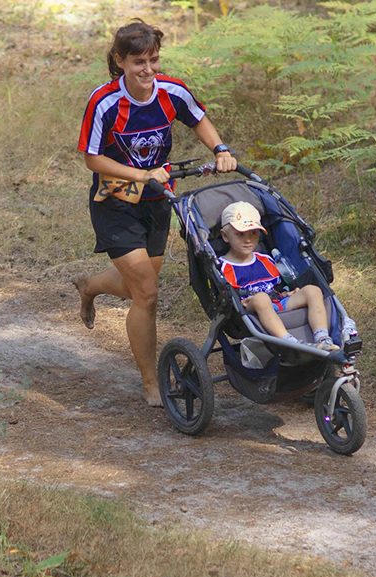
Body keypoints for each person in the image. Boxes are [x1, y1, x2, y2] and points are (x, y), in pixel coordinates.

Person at [72, 20, 237, 408]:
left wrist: (221, 150)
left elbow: (198, 119)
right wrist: (142, 174)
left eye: (153, 61)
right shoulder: (105, 102)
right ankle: (150, 382)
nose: (147, 70)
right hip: (114, 202)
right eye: (138, 62)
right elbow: (92, 159)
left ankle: (91, 286)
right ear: (120, 61)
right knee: (146, 293)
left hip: (158, 200)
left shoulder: (171, 92)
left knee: (137, 287)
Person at [217, 202, 339, 352]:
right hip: (251, 308)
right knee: (261, 298)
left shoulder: (266, 260)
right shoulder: (223, 267)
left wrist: (286, 294)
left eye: (253, 233)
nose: (248, 239)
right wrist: (246, 300)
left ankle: (323, 337)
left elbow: (276, 287)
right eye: (240, 234)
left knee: (313, 291)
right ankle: (290, 341)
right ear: (225, 236)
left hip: (277, 302)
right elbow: (229, 297)